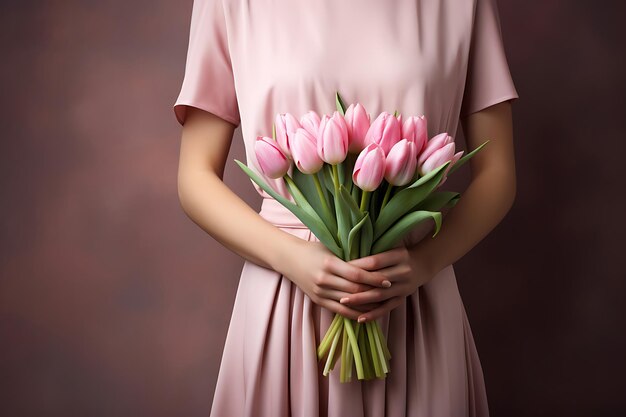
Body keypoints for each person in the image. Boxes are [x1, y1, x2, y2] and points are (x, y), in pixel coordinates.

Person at [173, 0, 519, 415]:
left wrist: (425, 264)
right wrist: (293, 259)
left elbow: (497, 173)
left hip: (412, 294)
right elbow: (194, 176)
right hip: (287, 290)